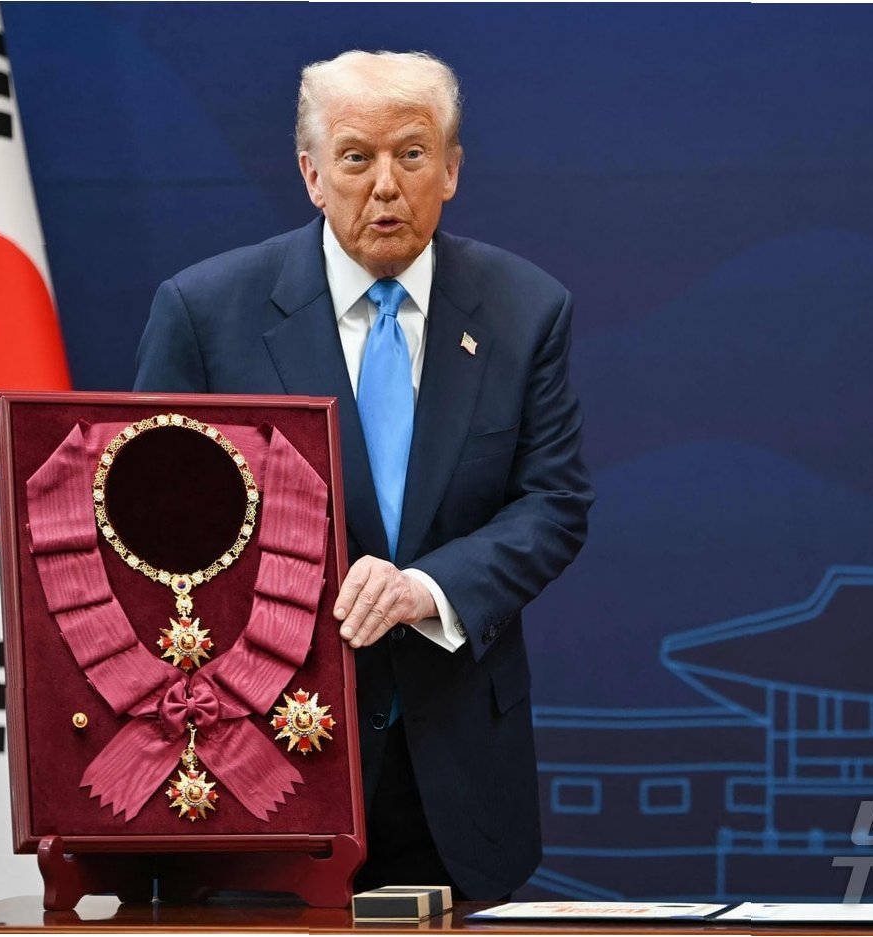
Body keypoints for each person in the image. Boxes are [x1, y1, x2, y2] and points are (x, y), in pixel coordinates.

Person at [134, 49, 593, 899]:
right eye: (355, 158)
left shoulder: (527, 310)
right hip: (251, 762)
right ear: (312, 174)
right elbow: (148, 534)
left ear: (451, 169)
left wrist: (427, 589)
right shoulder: (205, 313)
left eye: (411, 154)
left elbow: (553, 502)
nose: (386, 184)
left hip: (451, 770)